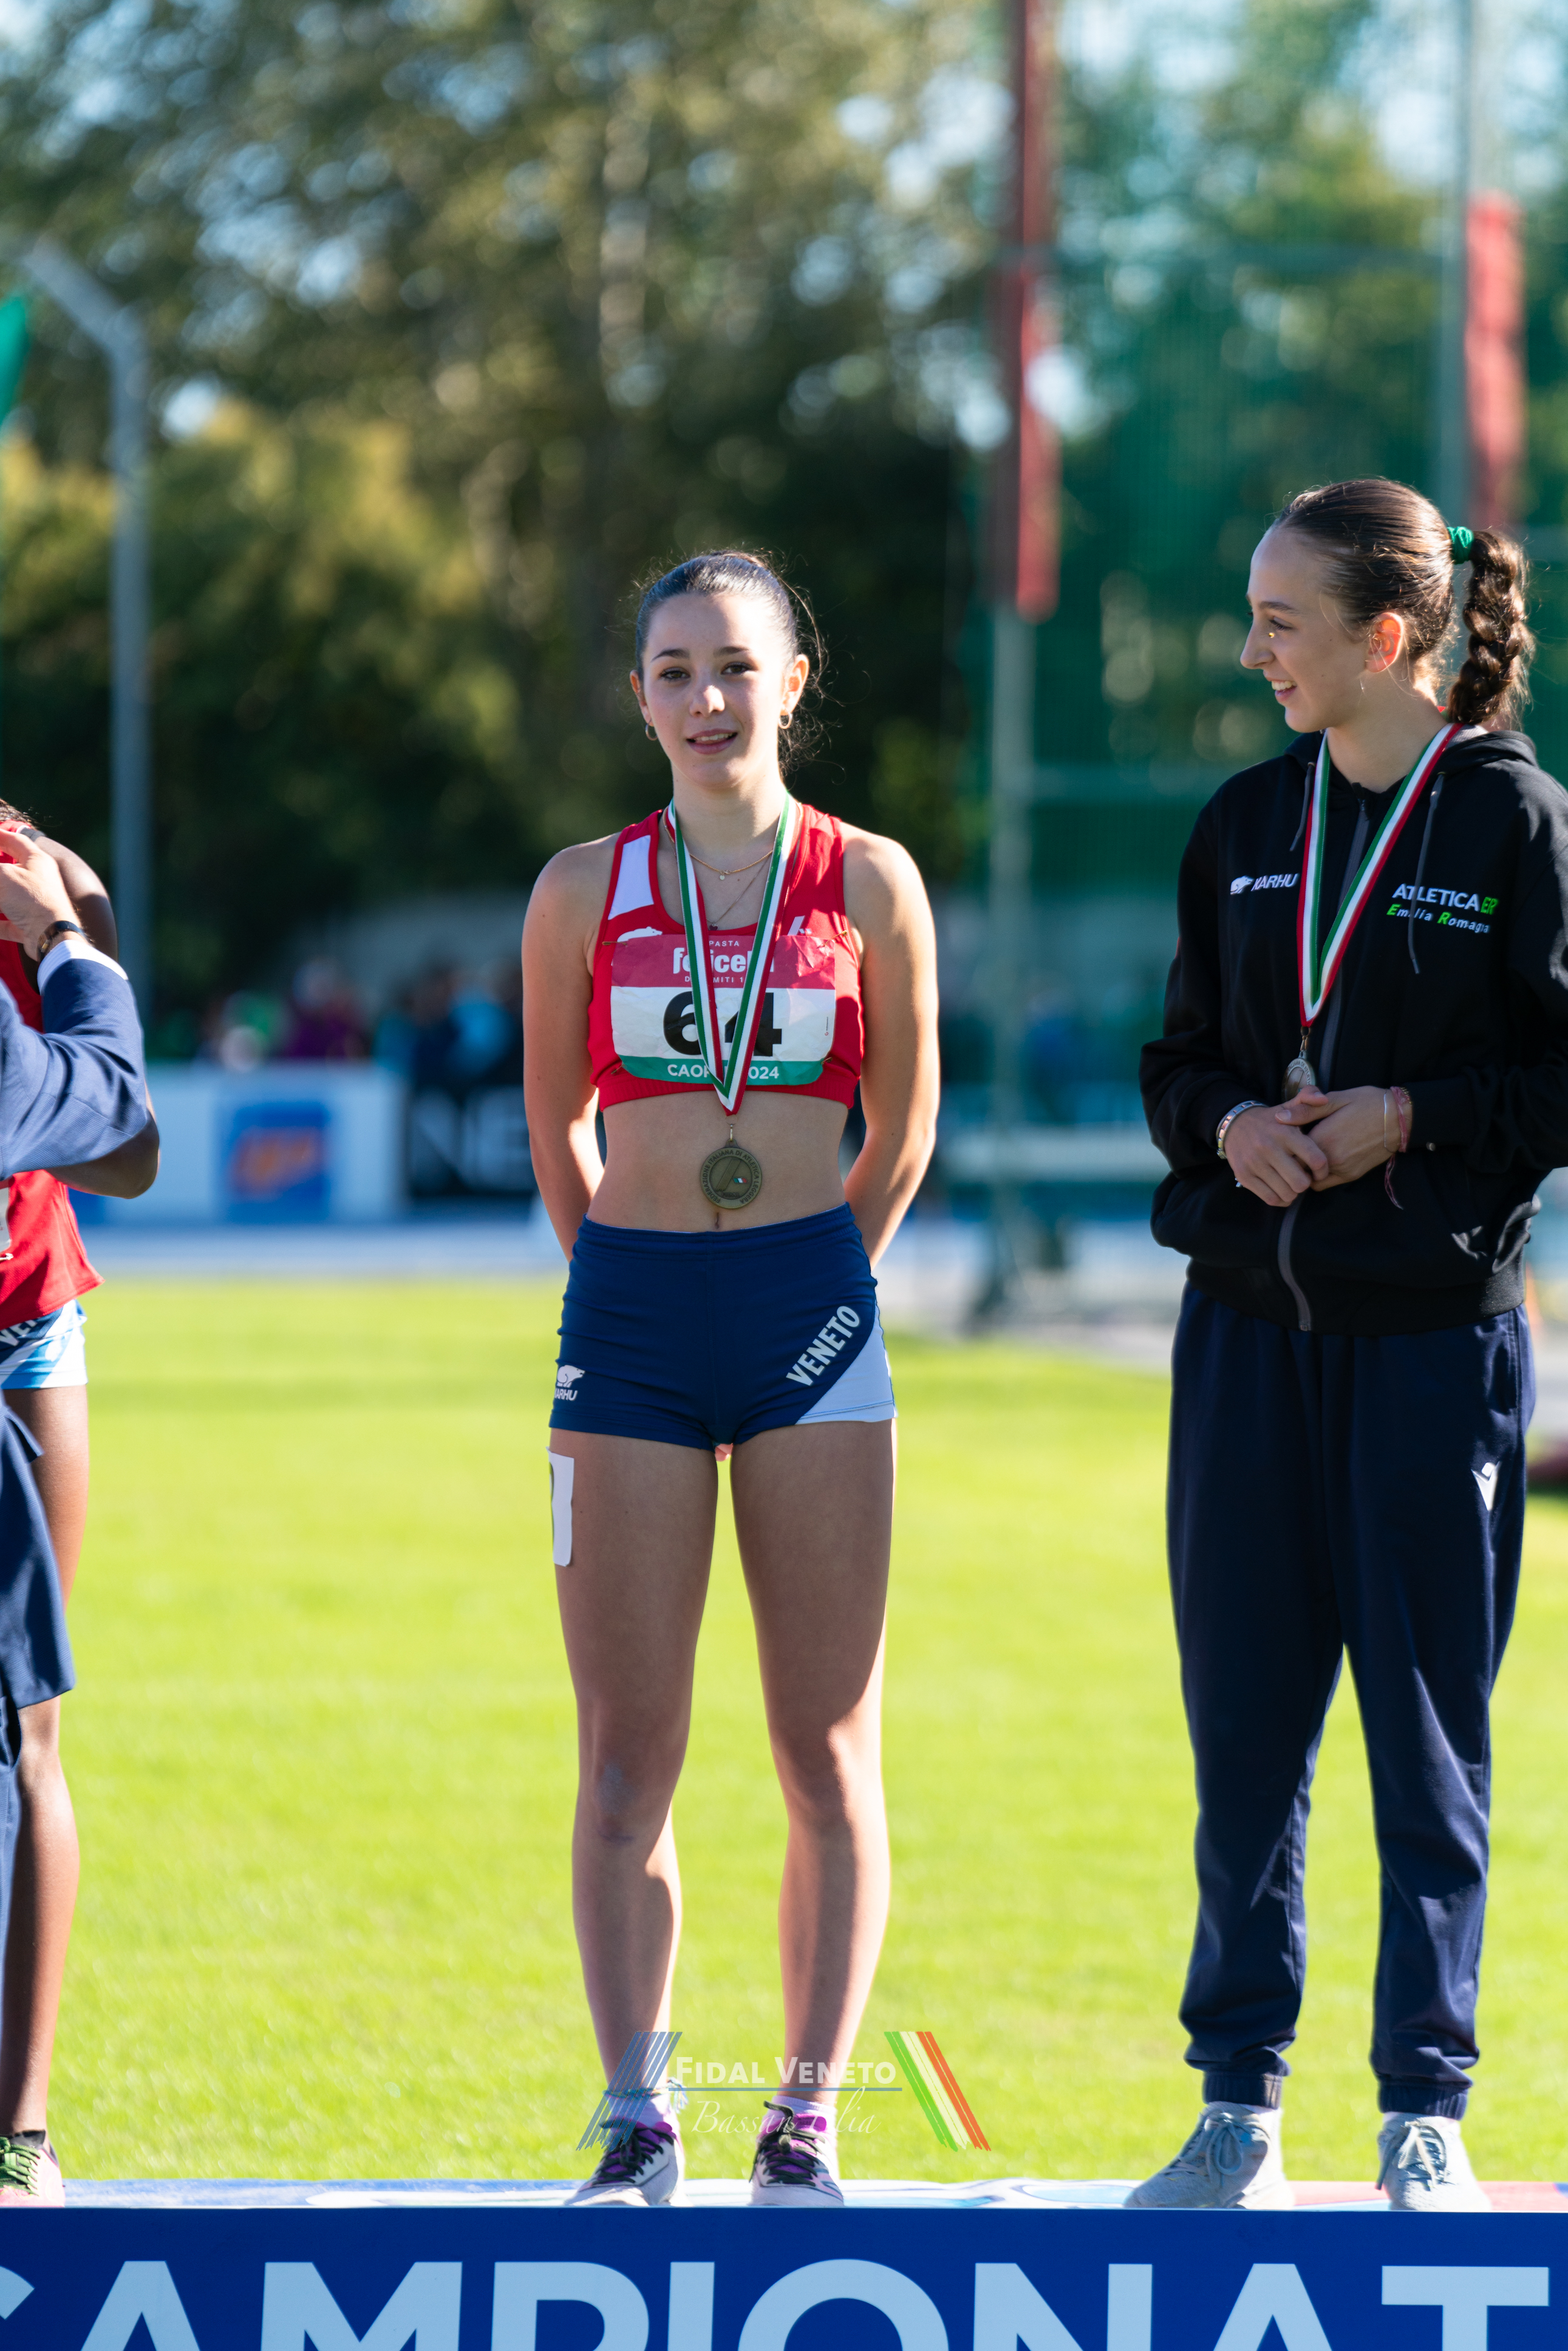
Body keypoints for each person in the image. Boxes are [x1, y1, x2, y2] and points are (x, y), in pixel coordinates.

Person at [1134, 478, 1555, 2213]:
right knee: (1242, 1733)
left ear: (1385, 638)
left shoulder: (1513, 822)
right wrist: (1229, 1126)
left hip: (1427, 1356)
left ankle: (1421, 2108)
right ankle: (1234, 2104)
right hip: (1244, 1339)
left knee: (1424, 1742)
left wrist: (1407, 1114)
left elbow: (1554, 1079)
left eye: (1278, 622)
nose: (1251, 653)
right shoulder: (1245, 816)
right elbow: (1173, 1063)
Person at [523, 550, 938, 2207]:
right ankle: (637, 2113)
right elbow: (555, 1120)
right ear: (640, 697)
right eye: (676, 671)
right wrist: (616, 1279)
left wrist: (827, 1280)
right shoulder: (579, 888)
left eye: (736, 667)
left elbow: (902, 1126)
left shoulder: (872, 879)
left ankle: (805, 2117)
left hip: (808, 1314)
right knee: (626, 1755)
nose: (708, 699)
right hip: (629, 1317)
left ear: (792, 682)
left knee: (824, 1749)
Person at [0, 819, 153, 2202]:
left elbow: (124, 1147)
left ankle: (20, 2132)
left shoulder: (23, 857)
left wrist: (65, 917)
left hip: (31, 1319)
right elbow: (112, 1114)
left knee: (27, 1728)